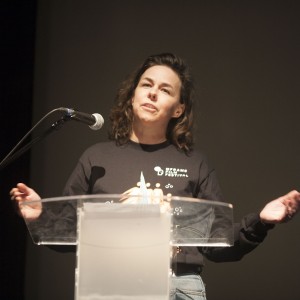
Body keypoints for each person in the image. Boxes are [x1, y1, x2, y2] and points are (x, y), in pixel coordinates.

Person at [10, 53, 300, 300]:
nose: (152, 93)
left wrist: (261, 222)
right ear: (132, 94)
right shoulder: (96, 158)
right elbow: (67, 234)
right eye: (146, 85)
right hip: (107, 283)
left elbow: (220, 244)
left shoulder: (195, 163)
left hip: (178, 285)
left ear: (179, 108)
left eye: (165, 89)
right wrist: (40, 217)